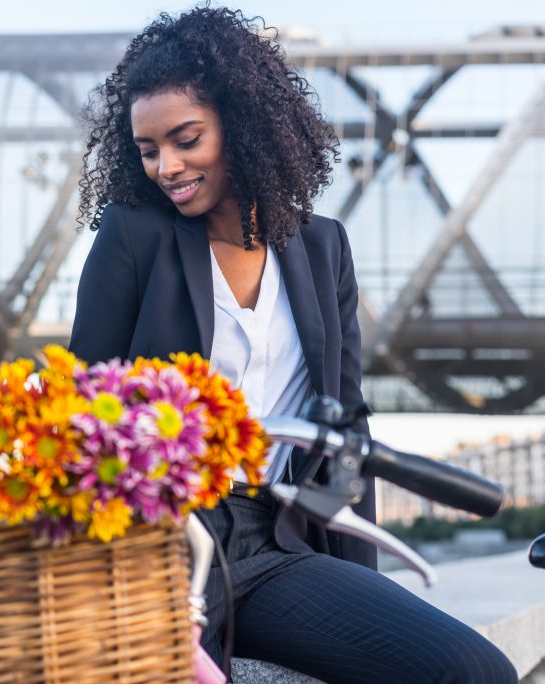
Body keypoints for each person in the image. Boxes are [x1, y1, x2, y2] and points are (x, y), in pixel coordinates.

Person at [68, 5, 517, 682]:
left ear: (241, 125)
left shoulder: (322, 248)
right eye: (148, 148)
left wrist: (361, 585)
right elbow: (78, 417)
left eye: (186, 139)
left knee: (473, 670)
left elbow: (345, 431)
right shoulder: (133, 238)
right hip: (156, 551)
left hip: (275, 545)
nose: (166, 165)